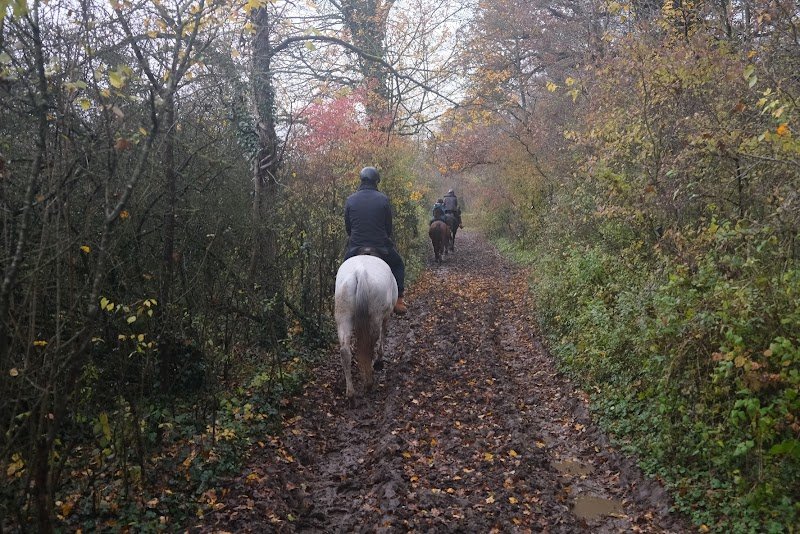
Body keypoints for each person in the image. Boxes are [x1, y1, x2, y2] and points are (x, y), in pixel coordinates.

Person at [343, 166, 407, 315]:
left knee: (343, 269)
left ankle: (341, 300)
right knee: (398, 265)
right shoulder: (383, 199)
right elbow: (388, 227)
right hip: (380, 246)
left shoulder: (350, 199)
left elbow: (348, 227)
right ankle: (398, 300)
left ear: (361, 180)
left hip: (356, 247)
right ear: (376, 181)